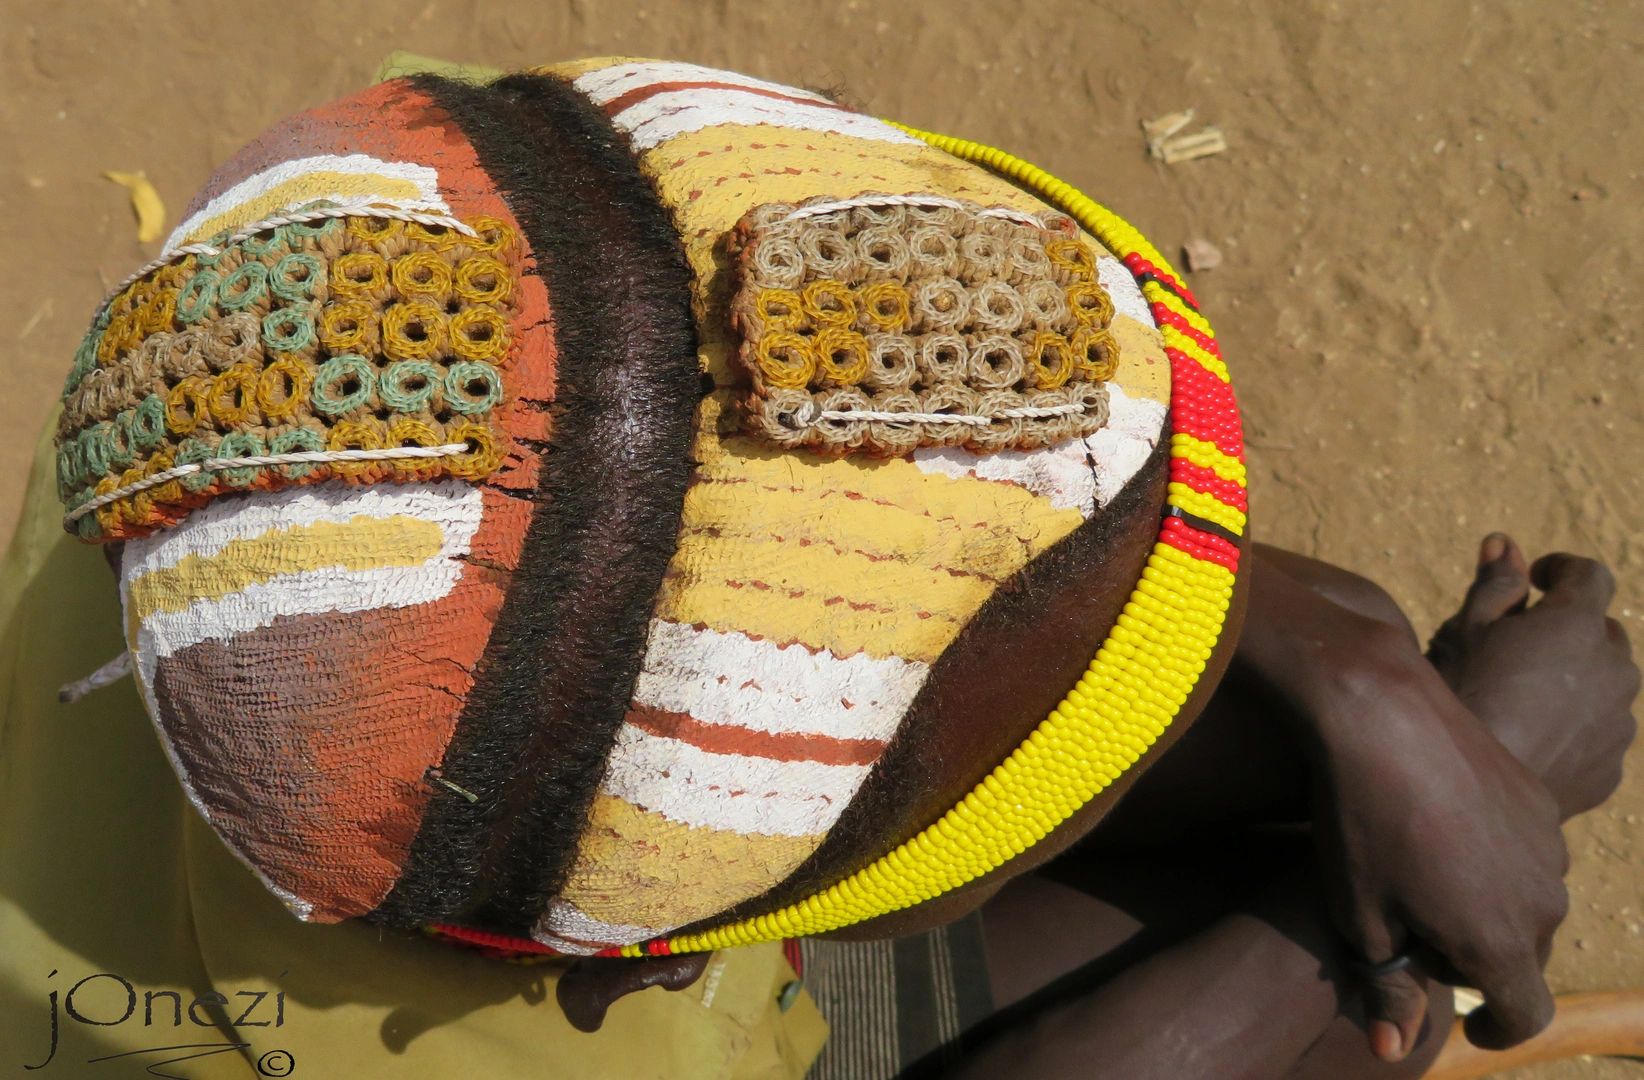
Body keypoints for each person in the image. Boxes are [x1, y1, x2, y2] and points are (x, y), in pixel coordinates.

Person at [5, 57, 1635, 1080]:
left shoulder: (306, 329)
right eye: (1035, 774)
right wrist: (1343, 942)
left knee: (1292, 694)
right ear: (662, 959)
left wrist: (1370, 685)